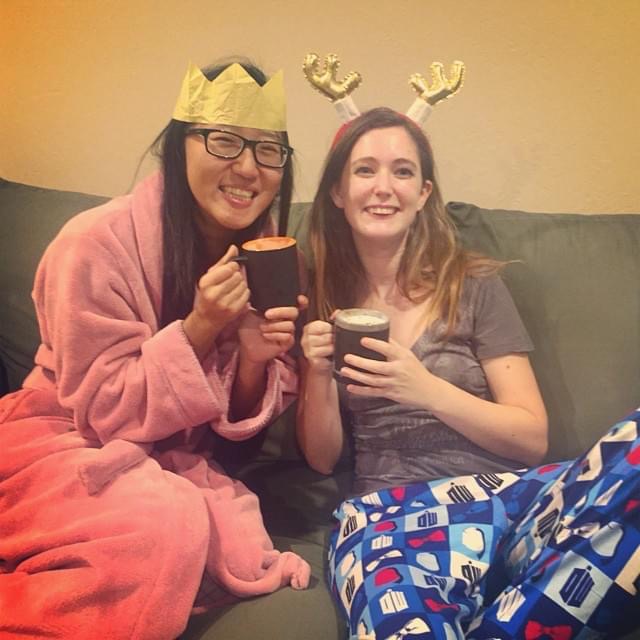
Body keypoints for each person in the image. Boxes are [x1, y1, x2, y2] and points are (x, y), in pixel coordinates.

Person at [297, 106, 640, 639]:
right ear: (339, 192)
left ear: (424, 193)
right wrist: (315, 372)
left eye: (402, 171)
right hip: (393, 517)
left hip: (509, 502)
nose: (383, 186)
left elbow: (531, 437)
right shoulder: (322, 297)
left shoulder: (472, 285)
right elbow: (320, 458)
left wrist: (425, 389)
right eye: (365, 170)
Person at [0, 58, 310, 639]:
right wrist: (199, 325)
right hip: (60, 435)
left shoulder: (268, 258)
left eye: (269, 150)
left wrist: (250, 358)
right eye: (224, 141)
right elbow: (104, 410)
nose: (248, 167)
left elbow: (232, 429)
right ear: (179, 144)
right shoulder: (92, 243)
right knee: (160, 529)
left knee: (213, 538)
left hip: (170, 456)